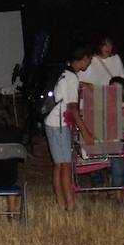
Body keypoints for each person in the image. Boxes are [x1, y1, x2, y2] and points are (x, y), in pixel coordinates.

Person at [44, 47, 94, 212]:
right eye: (89, 60)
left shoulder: (65, 72)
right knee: (66, 164)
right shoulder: (72, 77)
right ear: (84, 58)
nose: (89, 63)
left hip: (52, 121)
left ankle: (61, 203)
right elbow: (73, 108)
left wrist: (83, 84)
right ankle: (70, 205)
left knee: (59, 164)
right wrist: (85, 132)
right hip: (59, 124)